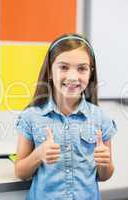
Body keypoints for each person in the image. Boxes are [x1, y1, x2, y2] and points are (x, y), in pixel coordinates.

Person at [14, 34, 117, 200]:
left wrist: (104, 163)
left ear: (90, 73)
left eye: (82, 69)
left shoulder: (101, 118)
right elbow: (20, 172)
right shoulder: (31, 117)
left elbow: (104, 175)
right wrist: (38, 154)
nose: (72, 77)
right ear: (50, 70)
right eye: (64, 67)